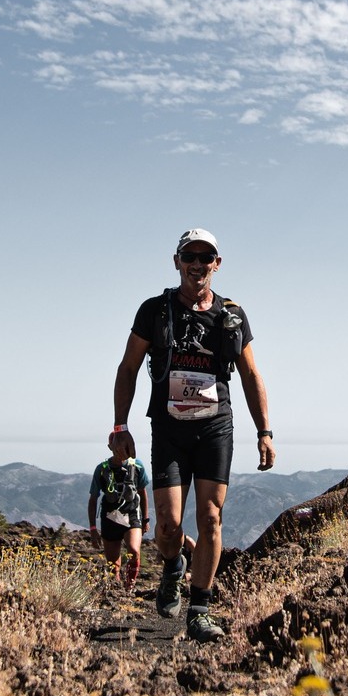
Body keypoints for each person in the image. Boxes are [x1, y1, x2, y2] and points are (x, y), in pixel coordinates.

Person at [110, 227, 274, 643]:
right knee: (167, 524)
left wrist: (265, 432)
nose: (197, 264)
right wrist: (119, 427)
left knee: (211, 518)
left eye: (206, 258)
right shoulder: (154, 310)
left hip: (215, 427)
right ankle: (171, 568)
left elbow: (251, 374)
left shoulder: (232, 316)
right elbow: (128, 368)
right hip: (168, 427)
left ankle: (199, 609)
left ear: (216, 265)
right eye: (190, 256)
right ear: (177, 261)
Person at [87, 435, 150, 589]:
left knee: (134, 551)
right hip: (110, 518)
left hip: (132, 515)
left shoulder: (137, 466)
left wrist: (146, 519)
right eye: (116, 447)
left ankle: (130, 585)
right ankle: (116, 591)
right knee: (113, 566)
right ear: (110, 447)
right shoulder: (101, 469)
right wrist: (93, 528)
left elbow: (142, 492)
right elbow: (93, 499)